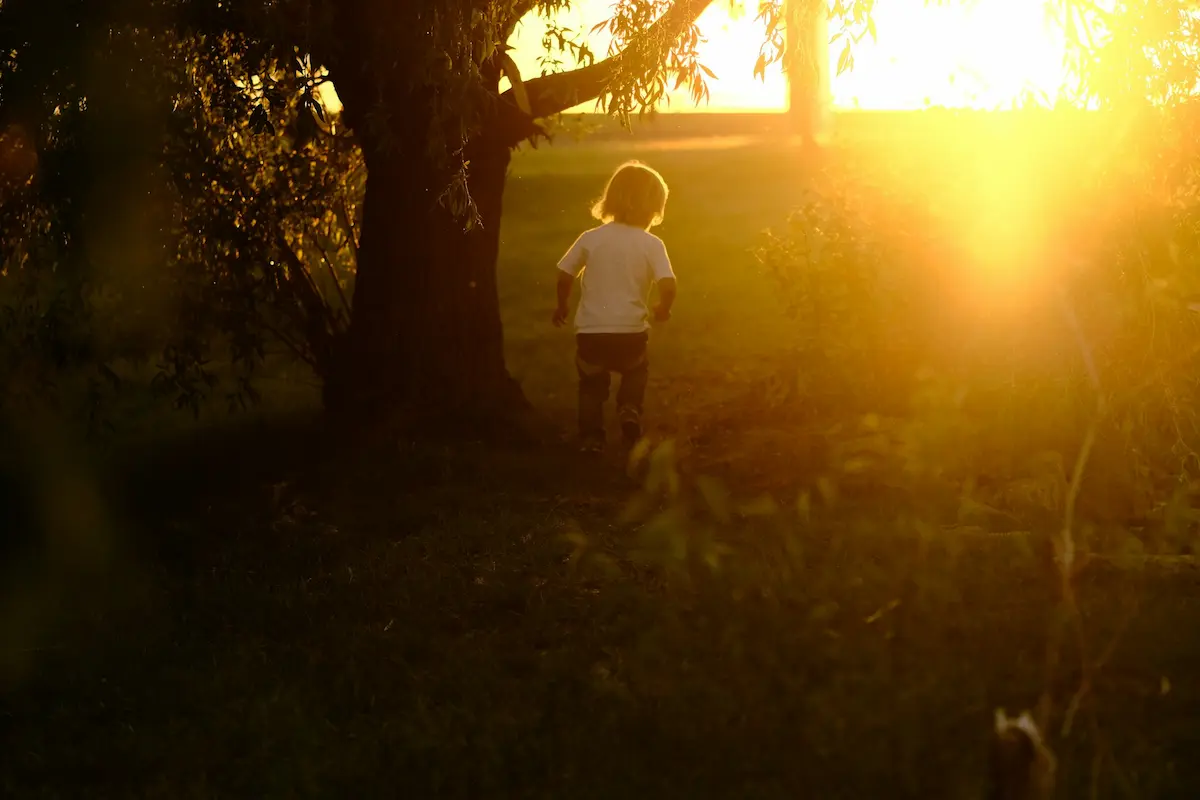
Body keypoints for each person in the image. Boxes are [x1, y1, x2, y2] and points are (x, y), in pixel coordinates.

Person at [552, 160, 677, 453]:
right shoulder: (652, 244)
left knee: (591, 386)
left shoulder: (590, 238)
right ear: (653, 208)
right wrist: (663, 307)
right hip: (630, 331)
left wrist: (562, 305)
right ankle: (630, 407)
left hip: (591, 331)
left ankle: (592, 439)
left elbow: (565, 275)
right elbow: (669, 284)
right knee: (636, 370)